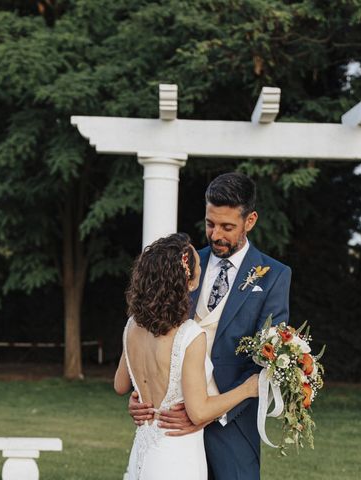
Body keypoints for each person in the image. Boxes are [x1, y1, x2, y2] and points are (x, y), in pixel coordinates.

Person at [129, 172, 292, 479]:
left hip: (232, 431)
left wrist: (207, 413)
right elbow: (154, 329)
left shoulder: (275, 276)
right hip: (171, 430)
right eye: (210, 223)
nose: (216, 234)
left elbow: (270, 357)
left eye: (227, 227)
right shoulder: (186, 263)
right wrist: (143, 393)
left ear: (250, 220)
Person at [115, 233, 259, 480]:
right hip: (177, 457)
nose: (202, 267)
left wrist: (141, 397)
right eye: (199, 265)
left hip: (143, 452)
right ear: (189, 282)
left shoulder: (132, 326)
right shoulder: (189, 335)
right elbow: (199, 412)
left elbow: (120, 385)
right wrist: (248, 389)